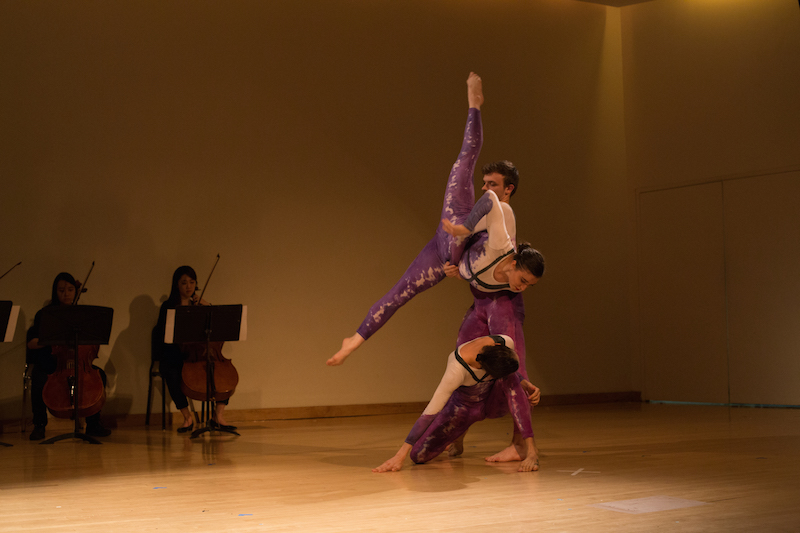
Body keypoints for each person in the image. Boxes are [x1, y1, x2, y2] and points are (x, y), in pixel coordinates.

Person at [328, 72, 529, 367]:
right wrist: (460, 242)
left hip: (449, 250)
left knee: (400, 294)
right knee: (396, 294)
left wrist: (459, 268)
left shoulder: (506, 218)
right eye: (484, 183)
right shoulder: (484, 204)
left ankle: (354, 342)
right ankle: (355, 339)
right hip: (450, 227)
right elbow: (480, 195)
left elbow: (486, 273)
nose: (486, 188)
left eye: (493, 184)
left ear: (509, 189)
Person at [372, 335, 539, 473]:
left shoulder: (503, 343)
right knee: (418, 456)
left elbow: (511, 372)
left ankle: (531, 451)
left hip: (493, 401)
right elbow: (429, 413)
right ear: (486, 369)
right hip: (465, 409)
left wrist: (526, 384)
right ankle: (459, 436)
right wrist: (400, 456)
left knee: (516, 385)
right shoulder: (456, 371)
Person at [26, 272, 112, 441]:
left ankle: (93, 424)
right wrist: (50, 338)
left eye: (70, 289)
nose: (66, 294)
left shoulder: (83, 315)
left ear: (75, 291)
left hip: (79, 364)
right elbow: (31, 343)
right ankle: (39, 425)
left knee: (99, 374)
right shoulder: (45, 314)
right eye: (61, 290)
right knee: (38, 378)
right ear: (55, 292)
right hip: (52, 364)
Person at [154, 266, 235, 433]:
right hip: (175, 354)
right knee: (170, 371)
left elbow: (217, 328)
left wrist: (207, 306)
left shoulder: (200, 305)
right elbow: (163, 335)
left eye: (192, 282)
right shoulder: (168, 306)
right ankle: (187, 417)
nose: (188, 286)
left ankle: (218, 416)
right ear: (177, 285)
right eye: (184, 283)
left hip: (200, 355)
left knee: (222, 373)